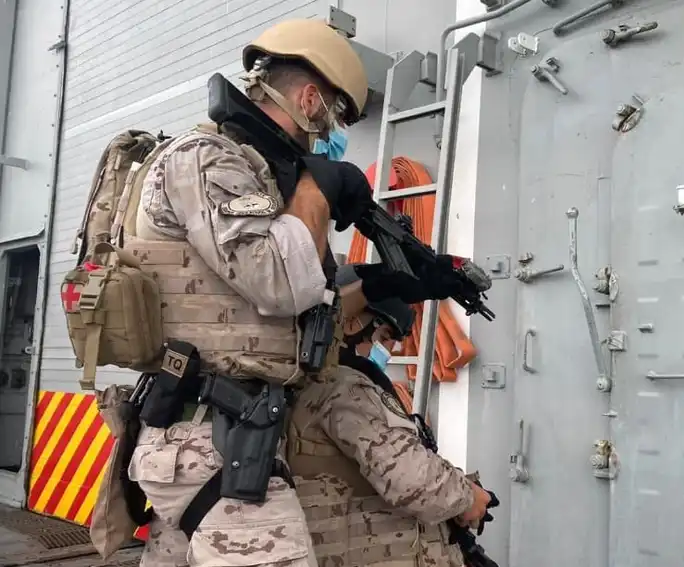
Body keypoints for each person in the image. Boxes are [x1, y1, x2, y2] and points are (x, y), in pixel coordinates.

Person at [122, 19, 458, 567]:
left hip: (224, 437)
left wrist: (395, 281)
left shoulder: (250, 172)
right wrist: (316, 190)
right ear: (309, 99)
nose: (327, 135)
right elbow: (277, 281)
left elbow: (299, 307)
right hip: (208, 441)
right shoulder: (206, 158)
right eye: (334, 118)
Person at [286, 264, 495, 567]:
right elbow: (411, 479)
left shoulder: (312, 384)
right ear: (352, 324)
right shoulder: (342, 386)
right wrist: (467, 497)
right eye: (384, 337)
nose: (387, 350)